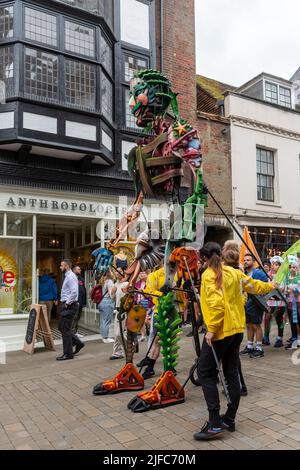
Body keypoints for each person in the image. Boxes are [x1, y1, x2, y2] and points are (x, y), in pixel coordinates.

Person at [194, 242, 273, 441]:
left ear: (204, 259)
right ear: (220, 255)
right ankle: (229, 418)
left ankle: (214, 422)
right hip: (236, 330)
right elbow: (255, 286)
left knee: (205, 372)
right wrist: (273, 285)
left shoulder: (209, 274)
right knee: (230, 373)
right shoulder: (234, 273)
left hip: (221, 331)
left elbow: (217, 304)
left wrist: (211, 330)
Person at [221, 241, 248, 396]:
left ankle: (237, 386)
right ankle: (237, 385)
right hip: (236, 315)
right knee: (233, 355)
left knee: (231, 356)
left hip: (231, 317)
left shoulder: (234, 270)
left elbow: (240, 293)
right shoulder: (237, 269)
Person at [240, 254, 269, 358]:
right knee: (248, 325)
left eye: (248, 260)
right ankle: (249, 346)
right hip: (246, 304)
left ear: (254, 262)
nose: (245, 262)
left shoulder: (259, 273)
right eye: (244, 260)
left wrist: (261, 297)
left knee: (256, 325)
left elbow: (265, 286)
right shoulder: (244, 273)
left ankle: (259, 348)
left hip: (256, 304)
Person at [57, 260, 84, 361]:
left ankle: (68, 354)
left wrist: (67, 303)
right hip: (68, 304)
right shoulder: (68, 276)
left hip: (70, 305)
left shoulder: (71, 276)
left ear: (67, 266)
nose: (60, 267)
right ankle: (78, 343)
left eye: (61, 265)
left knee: (65, 329)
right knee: (62, 327)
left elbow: (74, 292)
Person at [263, 256, 285, 347]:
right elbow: (266, 286)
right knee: (267, 318)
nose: (274, 266)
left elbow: (283, 288)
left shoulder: (284, 275)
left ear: (280, 266)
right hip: (270, 299)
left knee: (279, 318)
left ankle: (280, 338)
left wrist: (278, 286)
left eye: (276, 264)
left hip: (280, 300)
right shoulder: (268, 274)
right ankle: (266, 337)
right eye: (273, 264)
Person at [110, 269, 129, 360]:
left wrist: (126, 292)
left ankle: (130, 346)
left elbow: (130, 298)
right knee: (116, 333)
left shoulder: (126, 284)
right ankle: (117, 352)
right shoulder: (116, 284)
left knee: (119, 333)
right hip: (117, 310)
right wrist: (112, 292)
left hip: (124, 310)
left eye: (119, 271)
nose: (116, 273)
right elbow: (113, 299)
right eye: (116, 271)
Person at [284, 258, 300, 350]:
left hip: (298, 303)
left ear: (297, 268)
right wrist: (286, 290)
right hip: (290, 302)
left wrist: (293, 289)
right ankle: (294, 341)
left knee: (298, 322)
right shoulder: (288, 278)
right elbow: (286, 291)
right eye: (290, 267)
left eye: (294, 267)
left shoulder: (299, 277)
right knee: (292, 322)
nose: (292, 269)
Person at [98, 272, 115, 344]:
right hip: (107, 302)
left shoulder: (102, 281)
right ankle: (105, 337)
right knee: (107, 320)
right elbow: (111, 295)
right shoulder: (110, 281)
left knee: (103, 320)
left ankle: (103, 336)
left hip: (101, 302)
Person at [72, 266, 87, 336]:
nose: (80, 270)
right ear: (74, 270)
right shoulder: (71, 278)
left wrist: (84, 302)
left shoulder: (81, 279)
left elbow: (83, 289)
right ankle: (72, 333)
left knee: (78, 317)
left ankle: (75, 332)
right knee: (74, 317)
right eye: (79, 269)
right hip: (75, 301)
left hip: (81, 301)